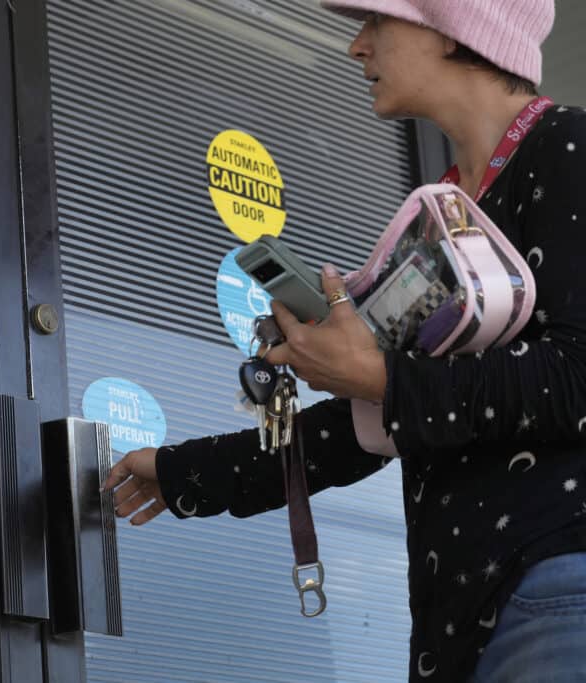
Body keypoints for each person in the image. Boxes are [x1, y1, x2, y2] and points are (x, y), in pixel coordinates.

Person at [104, 1, 586, 680]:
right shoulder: (445, 209)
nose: (356, 47)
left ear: (453, 30)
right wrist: (184, 473)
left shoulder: (570, 148)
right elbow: (368, 427)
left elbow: (576, 375)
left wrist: (382, 377)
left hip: (557, 594)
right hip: (464, 625)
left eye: (378, 23)